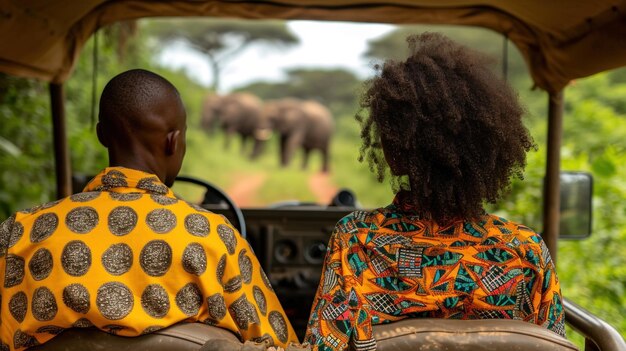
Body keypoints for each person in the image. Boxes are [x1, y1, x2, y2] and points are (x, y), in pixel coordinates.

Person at [0, 69, 297, 350]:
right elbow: (277, 344)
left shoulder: (20, 232)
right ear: (174, 142)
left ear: (102, 134)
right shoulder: (214, 236)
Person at [305, 33, 566, 351]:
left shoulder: (358, 241)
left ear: (393, 152)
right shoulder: (525, 252)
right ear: (490, 150)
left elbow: (325, 346)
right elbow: (551, 345)